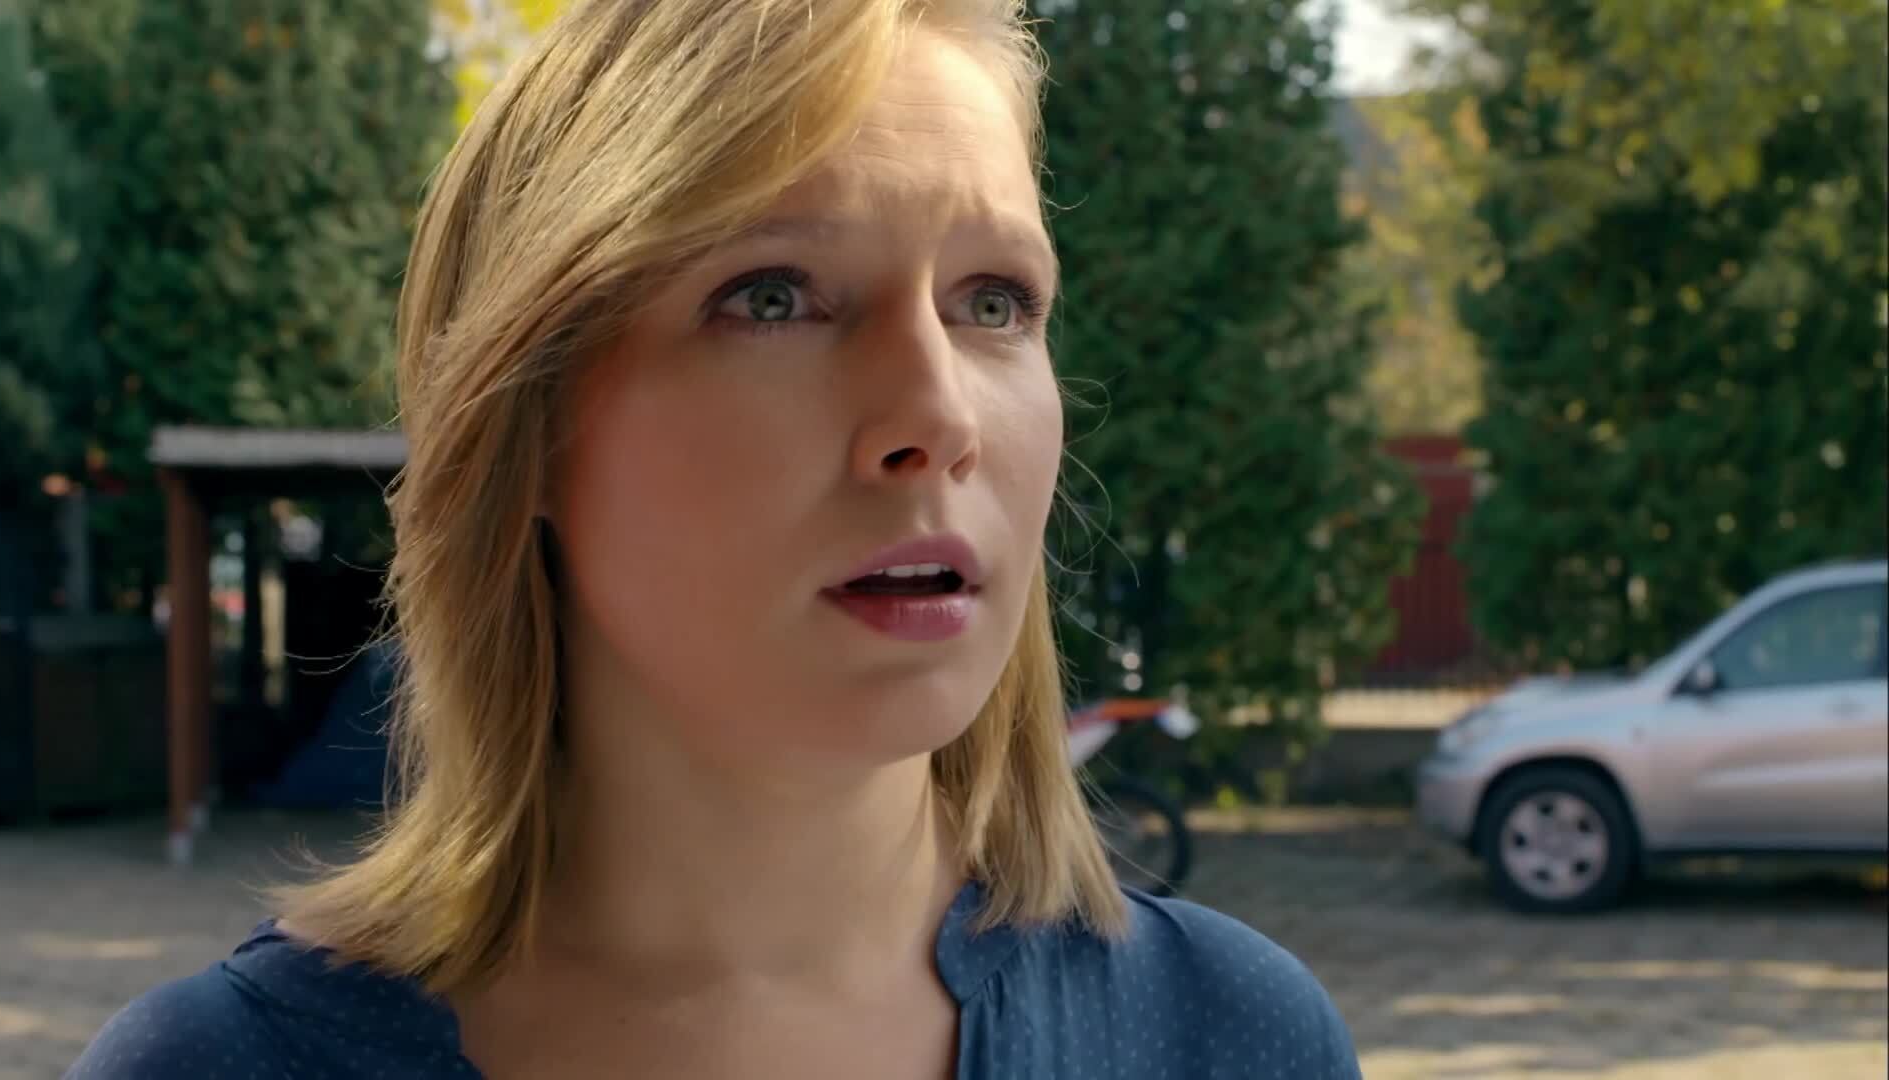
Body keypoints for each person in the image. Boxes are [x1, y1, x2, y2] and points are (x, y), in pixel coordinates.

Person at [70, 1, 1362, 1076]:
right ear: (523, 424)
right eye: (774, 296)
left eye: (993, 302)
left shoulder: (1230, 1040)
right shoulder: (218, 1068)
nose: (938, 415)